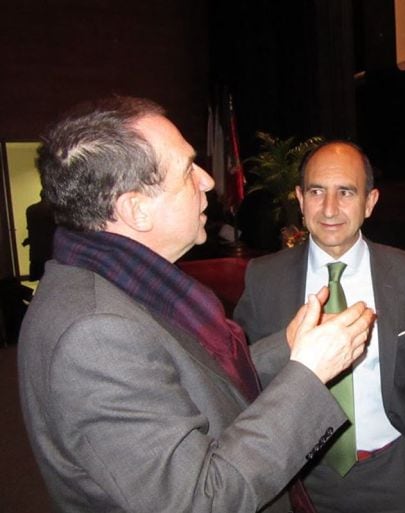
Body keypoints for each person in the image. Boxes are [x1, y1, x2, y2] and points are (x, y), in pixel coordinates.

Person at [17, 97, 375, 513]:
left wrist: (289, 348)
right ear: (136, 209)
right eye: (188, 169)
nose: (207, 181)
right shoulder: (95, 334)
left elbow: (195, 385)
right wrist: (309, 374)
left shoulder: (119, 283)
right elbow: (199, 499)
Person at [234, 141, 405, 513]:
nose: (330, 208)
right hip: (296, 480)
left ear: (370, 202)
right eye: (317, 192)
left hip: (394, 475)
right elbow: (240, 376)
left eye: (346, 192)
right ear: (300, 199)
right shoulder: (263, 278)